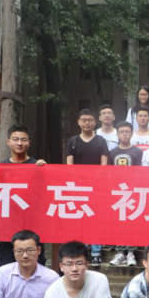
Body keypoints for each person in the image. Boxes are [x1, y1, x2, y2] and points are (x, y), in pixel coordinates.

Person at [0, 124, 48, 267]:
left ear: (29, 142)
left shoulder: (37, 166)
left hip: (33, 226)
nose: (19, 143)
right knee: (6, 267)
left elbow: (46, 192)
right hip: (7, 227)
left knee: (36, 269)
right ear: (8, 141)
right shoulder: (1, 167)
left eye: (23, 139)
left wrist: (46, 171)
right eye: (15, 139)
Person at [66, 108, 108, 266]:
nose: (87, 123)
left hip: (97, 186)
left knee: (96, 218)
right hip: (78, 187)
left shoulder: (100, 141)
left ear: (95, 122)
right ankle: (82, 249)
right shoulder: (73, 141)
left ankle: (96, 251)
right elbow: (69, 165)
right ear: (78, 122)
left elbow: (104, 164)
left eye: (90, 120)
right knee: (80, 218)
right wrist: (78, 181)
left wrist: (95, 180)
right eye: (84, 120)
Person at [108, 121, 142, 267]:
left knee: (131, 222)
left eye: (127, 131)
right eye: (121, 132)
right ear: (117, 134)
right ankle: (120, 251)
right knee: (119, 222)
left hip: (132, 191)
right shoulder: (112, 153)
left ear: (131, 133)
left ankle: (131, 252)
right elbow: (109, 173)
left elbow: (140, 172)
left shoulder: (138, 152)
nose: (124, 134)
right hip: (117, 191)